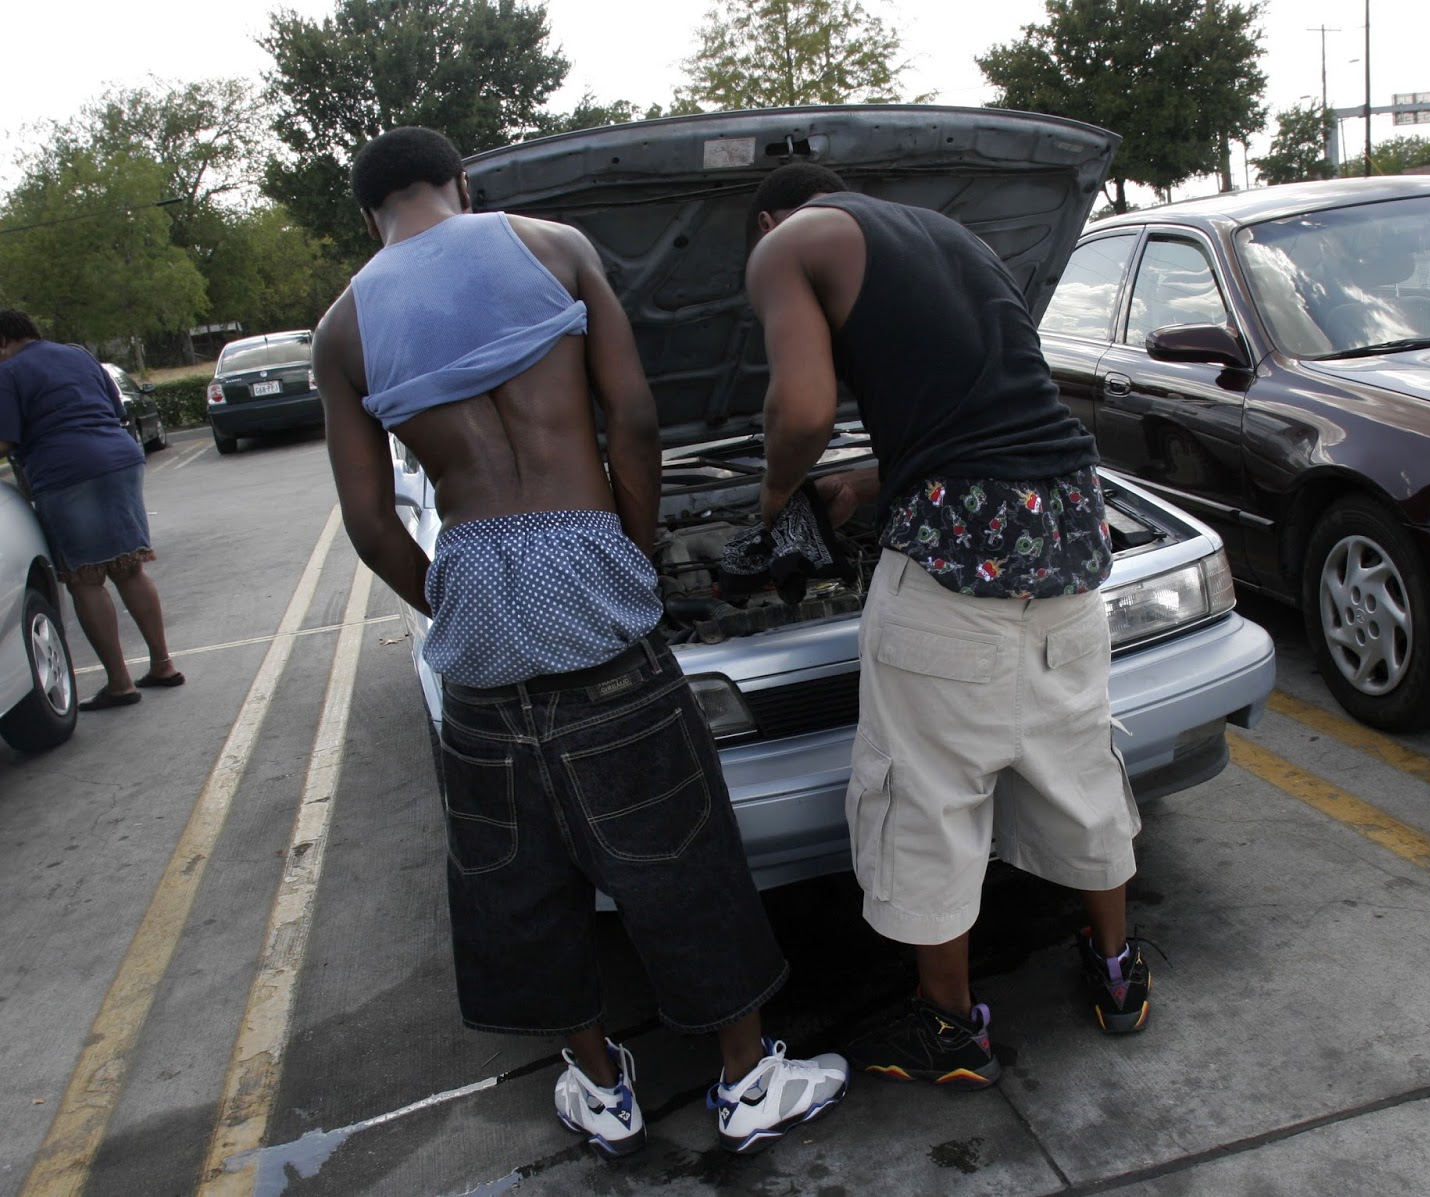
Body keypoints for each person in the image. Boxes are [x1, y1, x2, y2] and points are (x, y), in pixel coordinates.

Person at [312, 127, 846, 1158]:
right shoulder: (552, 246)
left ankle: (600, 1089)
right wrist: (627, 556)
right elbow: (633, 419)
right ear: (461, 183)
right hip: (591, 566)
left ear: (368, 217)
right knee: (680, 849)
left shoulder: (343, 327)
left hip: (474, 593)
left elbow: (371, 523)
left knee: (516, 875)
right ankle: (746, 1080)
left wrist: (455, 604)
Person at [744, 163, 1150, 1089]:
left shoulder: (785, 245)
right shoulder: (959, 242)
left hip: (949, 574)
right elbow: (985, 417)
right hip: (1066, 539)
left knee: (927, 800)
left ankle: (948, 1026)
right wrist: (868, 486)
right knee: (1081, 772)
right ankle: (1118, 971)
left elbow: (802, 411)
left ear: (770, 219)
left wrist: (775, 500)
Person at [0, 310, 184, 710]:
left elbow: (5, 440)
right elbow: (117, 410)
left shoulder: (9, 373)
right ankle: (163, 665)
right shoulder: (78, 355)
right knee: (130, 567)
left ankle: (120, 684)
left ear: (3, 342)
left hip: (66, 472)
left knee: (86, 579)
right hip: (120, 459)